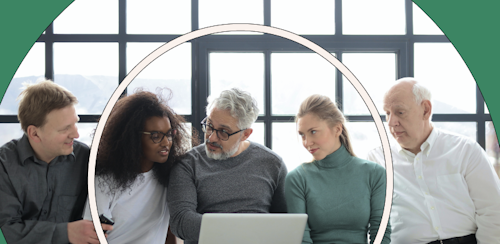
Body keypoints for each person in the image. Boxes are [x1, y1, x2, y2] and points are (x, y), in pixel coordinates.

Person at [367, 78, 500, 244]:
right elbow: (366, 220)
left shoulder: (465, 150)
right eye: (387, 113)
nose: (391, 122)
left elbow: (493, 211)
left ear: (425, 110)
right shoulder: (376, 160)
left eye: (400, 112)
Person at [167, 88, 288, 244]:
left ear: (245, 134)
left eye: (224, 132)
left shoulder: (273, 164)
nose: (211, 137)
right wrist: (243, 231)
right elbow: (181, 222)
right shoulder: (187, 164)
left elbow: (284, 222)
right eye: (209, 125)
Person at [0, 79, 111, 244]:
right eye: (65, 128)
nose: (76, 134)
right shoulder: (4, 165)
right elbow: (5, 230)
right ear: (34, 133)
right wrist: (66, 232)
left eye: (75, 124)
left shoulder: (87, 159)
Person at [83, 90, 191, 244]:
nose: (166, 142)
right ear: (132, 138)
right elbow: (91, 238)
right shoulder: (105, 181)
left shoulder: (170, 175)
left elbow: (168, 232)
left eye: (169, 134)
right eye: (156, 136)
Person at [285, 94, 391, 244]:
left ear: (337, 129)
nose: (307, 142)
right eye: (302, 135)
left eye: (313, 132)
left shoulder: (374, 174)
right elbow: (301, 239)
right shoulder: (297, 179)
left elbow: (381, 232)